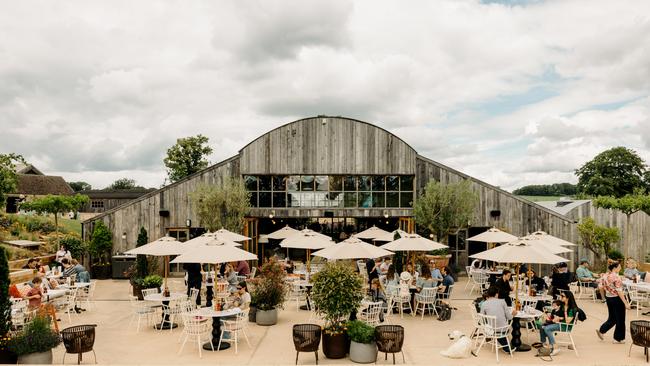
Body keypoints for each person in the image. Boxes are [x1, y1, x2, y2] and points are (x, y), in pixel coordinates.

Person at [596, 261, 631, 344]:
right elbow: (619, 291)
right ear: (615, 268)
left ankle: (602, 330)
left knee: (612, 317)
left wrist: (603, 297)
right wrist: (626, 303)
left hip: (609, 298)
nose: (621, 268)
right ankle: (618, 338)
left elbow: (600, 286)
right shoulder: (616, 277)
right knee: (620, 319)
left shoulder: (605, 275)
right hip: (617, 299)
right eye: (619, 267)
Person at [538, 292, 578, 356]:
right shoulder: (563, 305)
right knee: (541, 326)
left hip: (565, 326)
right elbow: (558, 313)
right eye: (560, 295)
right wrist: (555, 317)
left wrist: (565, 311)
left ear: (568, 297)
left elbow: (567, 321)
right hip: (559, 323)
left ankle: (555, 347)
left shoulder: (572, 309)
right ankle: (544, 344)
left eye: (562, 296)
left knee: (547, 328)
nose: (560, 297)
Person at [480, 286, 516, 353]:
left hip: (490, 330)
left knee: (493, 324)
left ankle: (503, 344)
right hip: (502, 330)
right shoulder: (502, 301)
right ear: (496, 294)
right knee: (507, 325)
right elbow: (509, 317)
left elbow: (481, 318)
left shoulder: (484, 304)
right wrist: (513, 314)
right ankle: (506, 347)